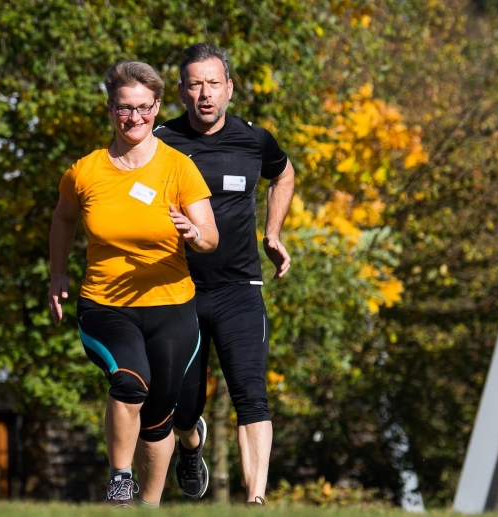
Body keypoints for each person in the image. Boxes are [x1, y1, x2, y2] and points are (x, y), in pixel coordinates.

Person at [47, 61, 219, 508]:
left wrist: (194, 233)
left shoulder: (179, 169)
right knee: (130, 382)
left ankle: (149, 506)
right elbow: (63, 218)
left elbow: (210, 236)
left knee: (159, 417)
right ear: (110, 110)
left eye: (144, 108)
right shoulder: (85, 172)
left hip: (172, 306)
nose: (135, 118)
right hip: (105, 305)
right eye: (125, 109)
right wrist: (57, 274)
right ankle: (120, 478)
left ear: (157, 107)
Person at [155, 43, 296, 506]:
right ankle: (190, 446)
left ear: (229, 89)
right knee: (183, 405)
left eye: (213, 83)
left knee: (251, 394)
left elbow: (285, 174)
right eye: (194, 84)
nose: (205, 94)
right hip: (179, 292)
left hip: (240, 289)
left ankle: (255, 500)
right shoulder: (159, 142)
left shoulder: (255, 140)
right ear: (181, 91)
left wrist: (272, 232)